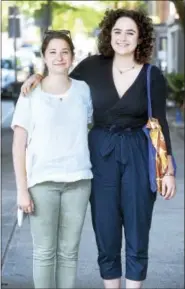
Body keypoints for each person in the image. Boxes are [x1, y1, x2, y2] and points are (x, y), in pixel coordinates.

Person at [20, 9, 176, 289]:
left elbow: (159, 123)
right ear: (109, 35)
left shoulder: (153, 75)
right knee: (106, 228)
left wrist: (167, 171)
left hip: (138, 153)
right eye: (117, 31)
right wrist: (37, 76)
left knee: (139, 227)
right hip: (101, 153)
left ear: (140, 38)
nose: (123, 38)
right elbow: (59, 76)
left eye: (130, 32)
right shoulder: (91, 67)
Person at [12, 31, 93, 289]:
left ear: (72, 56)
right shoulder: (30, 93)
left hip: (79, 182)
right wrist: (22, 191)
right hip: (42, 183)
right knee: (44, 252)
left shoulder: (83, 90)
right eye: (53, 52)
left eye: (65, 52)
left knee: (69, 253)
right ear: (44, 57)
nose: (59, 57)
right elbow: (18, 146)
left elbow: (90, 126)